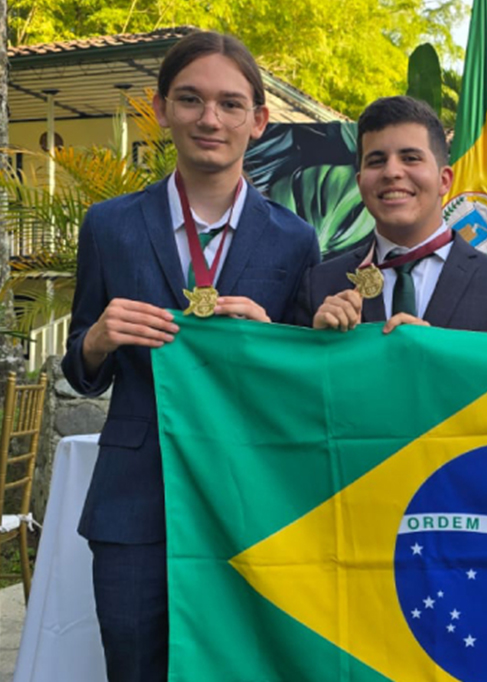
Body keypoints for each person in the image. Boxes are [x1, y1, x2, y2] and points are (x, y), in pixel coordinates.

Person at [61, 31, 320, 681]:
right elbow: (80, 371)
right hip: (132, 504)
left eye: (231, 104)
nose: (211, 118)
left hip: (248, 503)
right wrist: (96, 341)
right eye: (191, 99)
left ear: (258, 121)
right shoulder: (109, 225)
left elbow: (303, 383)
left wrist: (268, 337)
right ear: (161, 109)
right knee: (136, 668)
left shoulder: (294, 240)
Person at [295, 96, 487, 335]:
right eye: (376, 161)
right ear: (360, 183)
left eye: (410, 158)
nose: (391, 172)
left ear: (444, 180)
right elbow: (298, 369)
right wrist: (320, 346)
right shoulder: (320, 285)